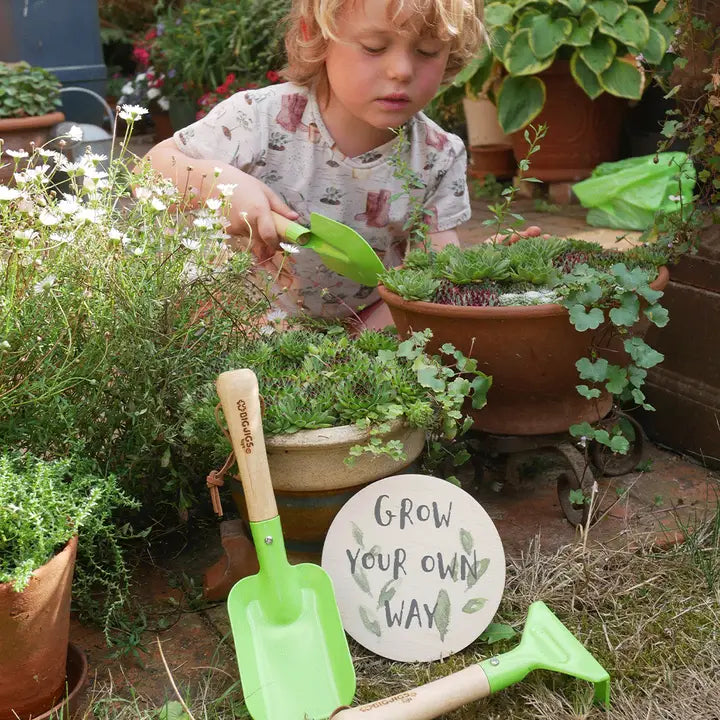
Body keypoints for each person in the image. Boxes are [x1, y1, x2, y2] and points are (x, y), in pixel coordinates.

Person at [144, 0, 485, 327]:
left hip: (360, 333)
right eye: (373, 47)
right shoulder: (257, 119)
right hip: (237, 326)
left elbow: (432, 274)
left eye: (428, 51)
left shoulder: (438, 154)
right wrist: (217, 184)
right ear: (316, 36)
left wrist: (475, 270)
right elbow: (149, 169)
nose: (401, 70)